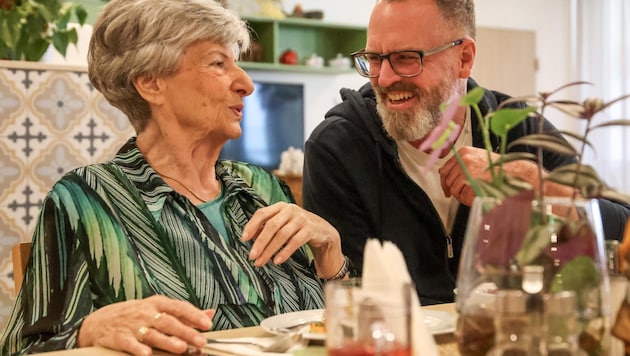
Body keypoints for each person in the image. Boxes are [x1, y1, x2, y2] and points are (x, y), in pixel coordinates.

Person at [0, 0, 352, 355]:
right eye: (218, 63)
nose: (246, 83)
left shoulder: (263, 187)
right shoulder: (85, 201)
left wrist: (331, 256)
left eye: (237, 64)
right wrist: (87, 329)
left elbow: (328, 329)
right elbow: (23, 347)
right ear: (151, 83)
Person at [302, 0, 630, 306]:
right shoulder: (337, 148)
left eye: (407, 58)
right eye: (374, 59)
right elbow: (346, 293)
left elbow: (621, 235)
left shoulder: (520, 128)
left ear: (464, 58)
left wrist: (532, 183)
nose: (385, 79)